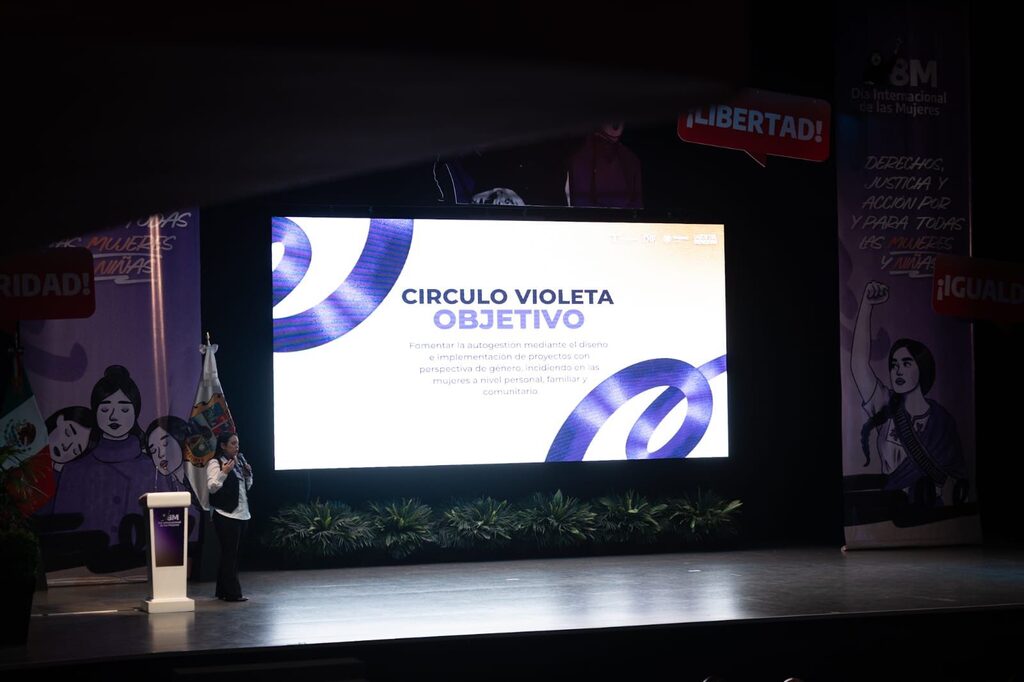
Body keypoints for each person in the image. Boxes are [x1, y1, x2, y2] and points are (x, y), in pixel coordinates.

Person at [851, 281, 968, 507]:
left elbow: (959, 479)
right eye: (894, 364)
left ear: (922, 368)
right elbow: (858, 364)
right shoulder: (886, 403)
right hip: (891, 511)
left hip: (933, 515)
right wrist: (866, 306)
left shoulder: (943, 422)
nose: (898, 370)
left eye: (906, 363)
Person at [51, 365, 153, 545]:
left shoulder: (151, 469)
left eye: (124, 409)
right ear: (95, 412)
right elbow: (62, 532)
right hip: (85, 561)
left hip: (142, 560)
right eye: (105, 409)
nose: (114, 416)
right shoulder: (74, 470)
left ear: (135, 412)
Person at [206, 431, 253, 602]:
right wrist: (224, 472)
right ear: (223, 445)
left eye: (237, 444)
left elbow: (246, 487)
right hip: (225, 514)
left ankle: (222, 591)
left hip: (242, 513)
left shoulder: (239, 462)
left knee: (232, 554)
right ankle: (233, 593)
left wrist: (248, 475)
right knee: (229, 554)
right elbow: (212, 487)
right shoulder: (215, 463)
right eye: (233, 444)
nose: (236, 447)